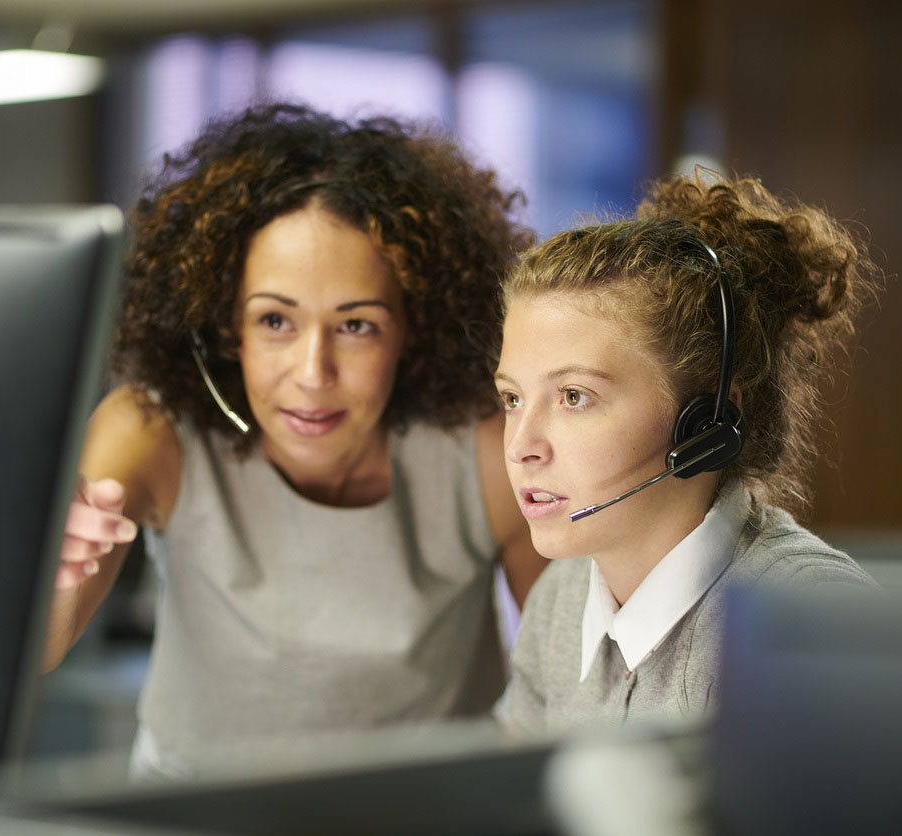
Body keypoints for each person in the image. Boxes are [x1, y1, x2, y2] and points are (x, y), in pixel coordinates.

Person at [44, 102, 546, 775]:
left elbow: (567, 680)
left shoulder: (488, 451)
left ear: (414, 326)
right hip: (196, 816)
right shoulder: (153, 428)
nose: (313, 375)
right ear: (227, 326)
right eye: (276, 321)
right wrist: (54, 566)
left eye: (357, 325)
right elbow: (41, 646)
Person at [493, 173, 878, 735]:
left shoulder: (809, 618)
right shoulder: (562, 596)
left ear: (706, 422)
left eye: (574, 397)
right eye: (512, 398)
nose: (521, 446)